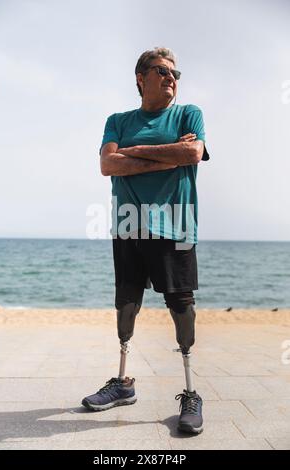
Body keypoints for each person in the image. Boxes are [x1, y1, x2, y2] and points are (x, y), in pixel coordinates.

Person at [82, 47, 210, 435]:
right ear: (140, 77)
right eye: (161, 70)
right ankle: (122, 384)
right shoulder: (118, 120)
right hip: (128, 225)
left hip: (176, 224)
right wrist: (168, 157)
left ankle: (190, 393)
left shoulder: (189, 114)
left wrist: (134, 153)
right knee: (126, 302)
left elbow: (193, 151)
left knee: (181, 305)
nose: (171, 77)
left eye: (175, 72)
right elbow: (108, 164)